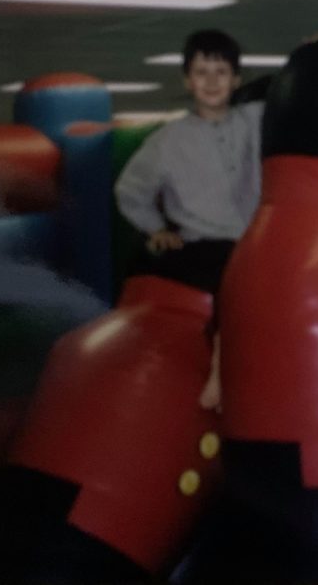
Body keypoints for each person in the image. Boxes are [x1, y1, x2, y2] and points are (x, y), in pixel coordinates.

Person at [114, 29, 264, 409]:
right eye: (201, 73)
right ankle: (220, 366)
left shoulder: (255, 120)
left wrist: (316, 52)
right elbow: (130, 190)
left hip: (256, 239)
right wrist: (157, 229)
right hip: (205, 242)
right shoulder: (167, 141)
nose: (211, 82)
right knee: (230, 278)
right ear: (187, 80)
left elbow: (293, 89)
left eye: (221, 72)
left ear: (236, 80)